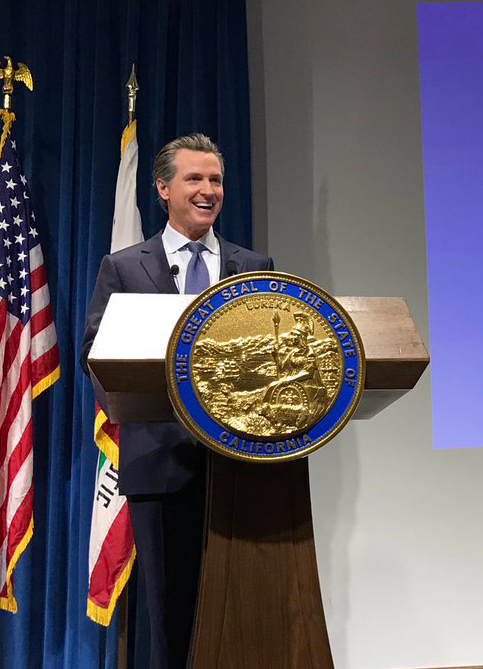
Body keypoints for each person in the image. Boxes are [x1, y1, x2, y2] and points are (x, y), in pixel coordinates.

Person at [80, 134, 273, 669]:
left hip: (242, 465)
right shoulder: (124, 267)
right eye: (195, 179)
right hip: (159, 463)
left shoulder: (253, 264)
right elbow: (97, 356)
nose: (208, 190)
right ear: (163, 188)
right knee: (172, 618)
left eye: (215, 180)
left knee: (246, 611)